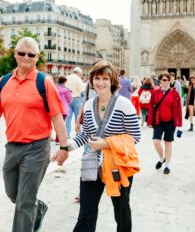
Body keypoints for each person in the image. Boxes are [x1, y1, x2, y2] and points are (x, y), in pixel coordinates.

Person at [0, 37, 68, 232]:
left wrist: (64, 147)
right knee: (13, 194)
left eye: (31, 54)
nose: (26, 57)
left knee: (24, 202)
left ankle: (30, 210)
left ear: (37, 57)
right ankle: (38, 207)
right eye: (22, 53)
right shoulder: (4, 81)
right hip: (12, 147)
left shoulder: (45, 83)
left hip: (37, 147)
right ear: (15, 54)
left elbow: (57, 117)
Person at [53, 60, 141, 232]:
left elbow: (135, 137)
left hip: (118, 165)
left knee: (121, 211)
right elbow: (85, 135)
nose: (100, 83)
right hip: (91, 165)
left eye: (105, 79)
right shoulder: (88, 105)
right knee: (86, 213)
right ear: (91, 80)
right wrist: (65, 147)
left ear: (112, 81)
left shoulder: (124, 104)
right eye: (97, 78)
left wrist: (106, 143)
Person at [147, 72, 182, 174]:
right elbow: (151, 107)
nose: (166, 82)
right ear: (160, 81)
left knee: (168, 143)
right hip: (158, 120)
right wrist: (149, 121)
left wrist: (179, 123)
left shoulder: (174, 93)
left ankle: (167, 165)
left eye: (167, 80)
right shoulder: (155, 93)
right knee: (156, 141)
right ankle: (162, 158)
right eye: (163, 80)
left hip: (170, 122)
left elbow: (178, 109)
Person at [65, 66, 84, 138]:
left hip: (68, 99)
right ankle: (78, 133)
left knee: (68, 118)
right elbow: (82, 89)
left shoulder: (67, 77)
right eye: (81, 74)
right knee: (77, 117)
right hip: (76, 98)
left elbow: (64, 88)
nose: (81, 75)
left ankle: (67, 133)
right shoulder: (78, 79)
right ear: (78, 73)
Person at [56, 76, 72, 145]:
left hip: (56, 108)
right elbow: (70, 99)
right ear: (65, 82)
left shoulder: (54, 88)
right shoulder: (66, 90)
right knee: (62, 124)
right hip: (64, 108)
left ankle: (56, 139)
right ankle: (58, 140)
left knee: (57, 124)